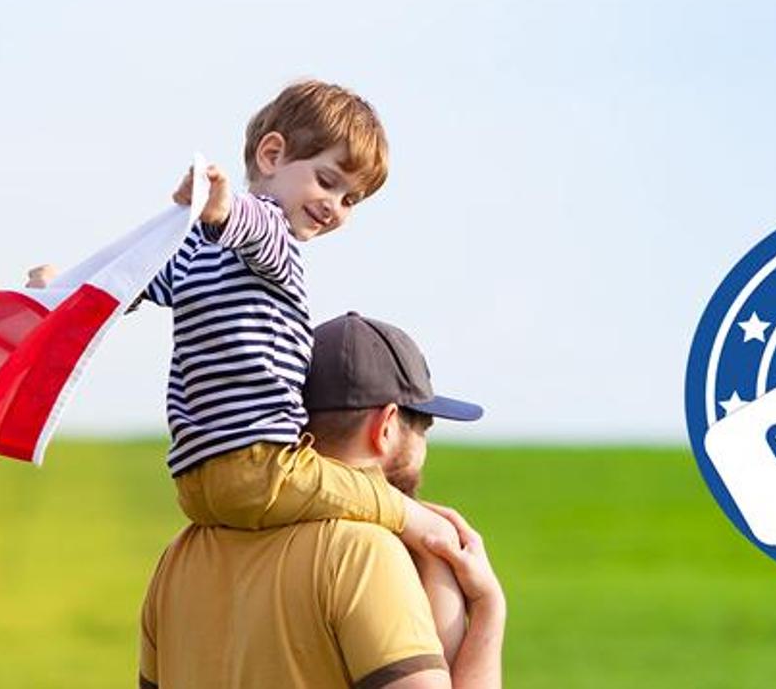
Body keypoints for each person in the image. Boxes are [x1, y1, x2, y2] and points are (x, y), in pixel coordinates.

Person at [29, 80, 463, 556]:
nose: (333, 207)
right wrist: (221, 207)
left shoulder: (193, 252)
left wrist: (65, 291)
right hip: (262, 464)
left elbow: (128, 286)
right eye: (327, 181)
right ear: (272, 155)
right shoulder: (271, 234)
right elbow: (255, 225)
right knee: (381, 501)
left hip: (196, 479)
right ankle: (434, 538)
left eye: (350, 200)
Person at [138, 312, 506, 688]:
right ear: (386, 426)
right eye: (422, 428)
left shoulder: (178, 557)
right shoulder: (361, 553)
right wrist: (489, 613)